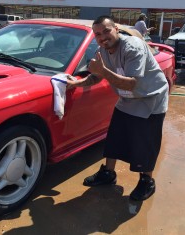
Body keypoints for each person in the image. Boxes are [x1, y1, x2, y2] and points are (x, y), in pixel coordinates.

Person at [67, 15, 169, 201]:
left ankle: (147, 181)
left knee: (145, 144)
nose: (103, 37)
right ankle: (108, 173)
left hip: (150, 99)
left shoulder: (132, 47)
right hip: (127, 99)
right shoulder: (103, 50)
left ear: (116, 28)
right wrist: (77, 84)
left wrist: (103, 71)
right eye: (98, 34)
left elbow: (131, 83)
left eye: (106, 31)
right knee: (115, 137)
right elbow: (96, 77)